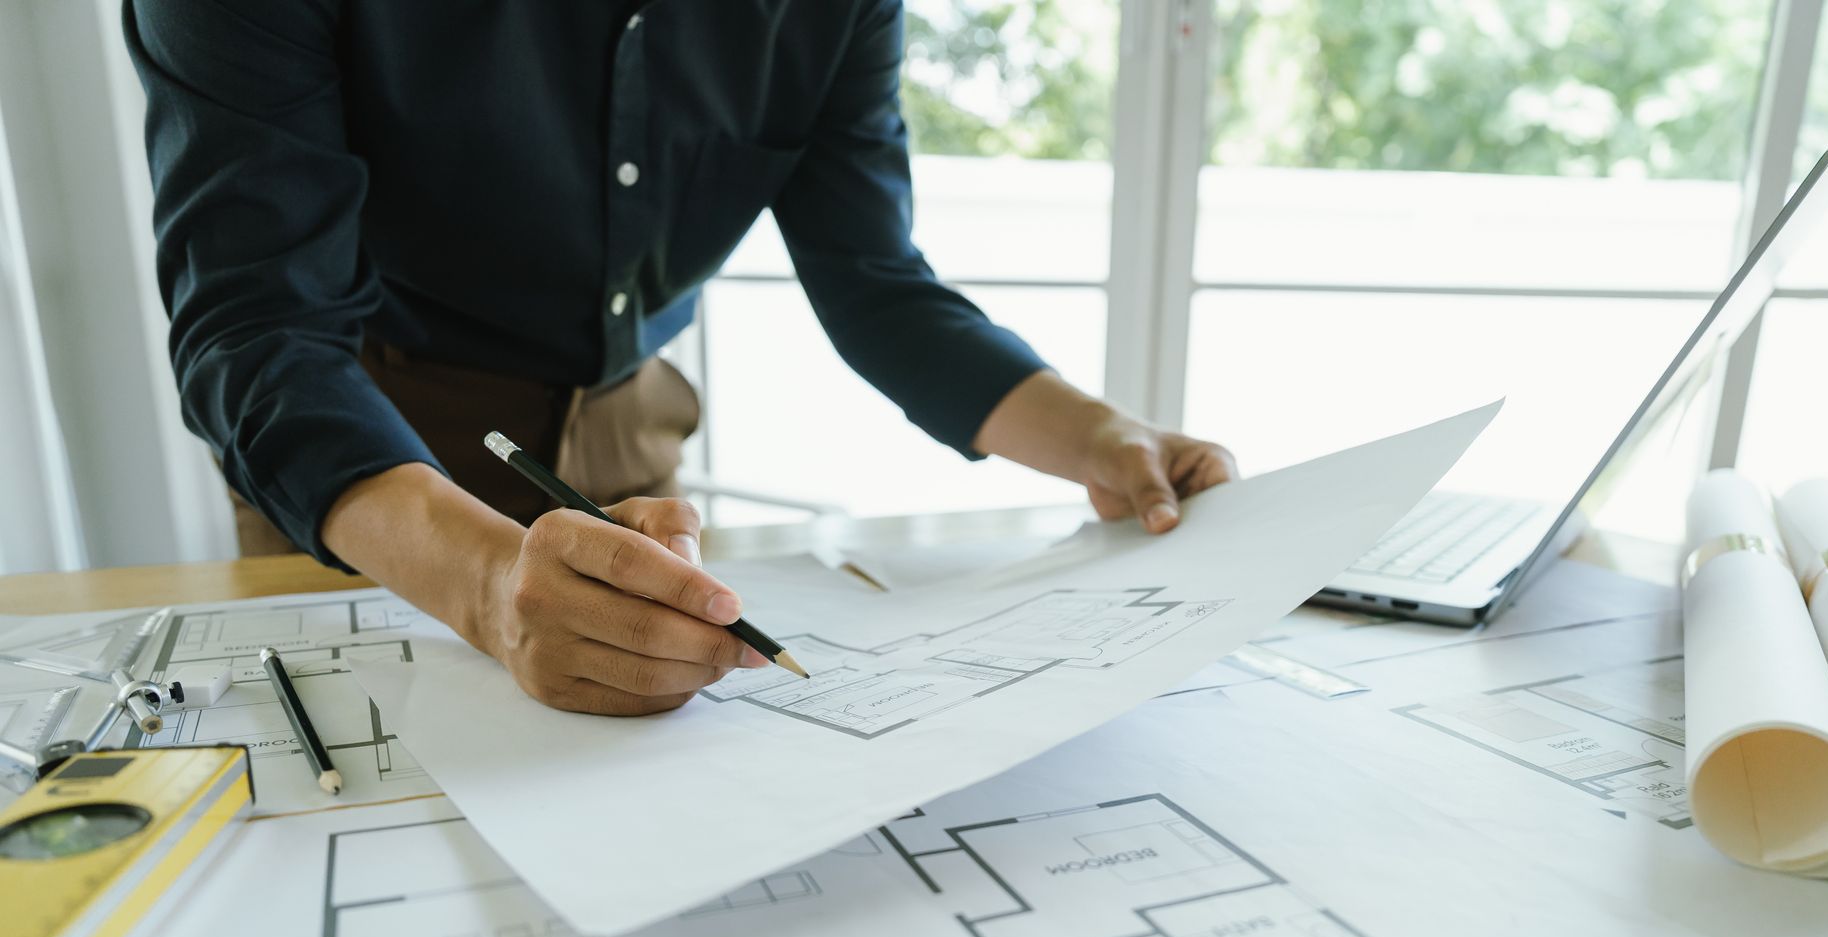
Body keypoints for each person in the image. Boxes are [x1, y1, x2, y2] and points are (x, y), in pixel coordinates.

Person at [125, 0, 1238, 715]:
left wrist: (1096, 435)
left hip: (633, 420)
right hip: (366, 447)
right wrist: (487, 588)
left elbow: (875, 279)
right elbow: (258, 323)